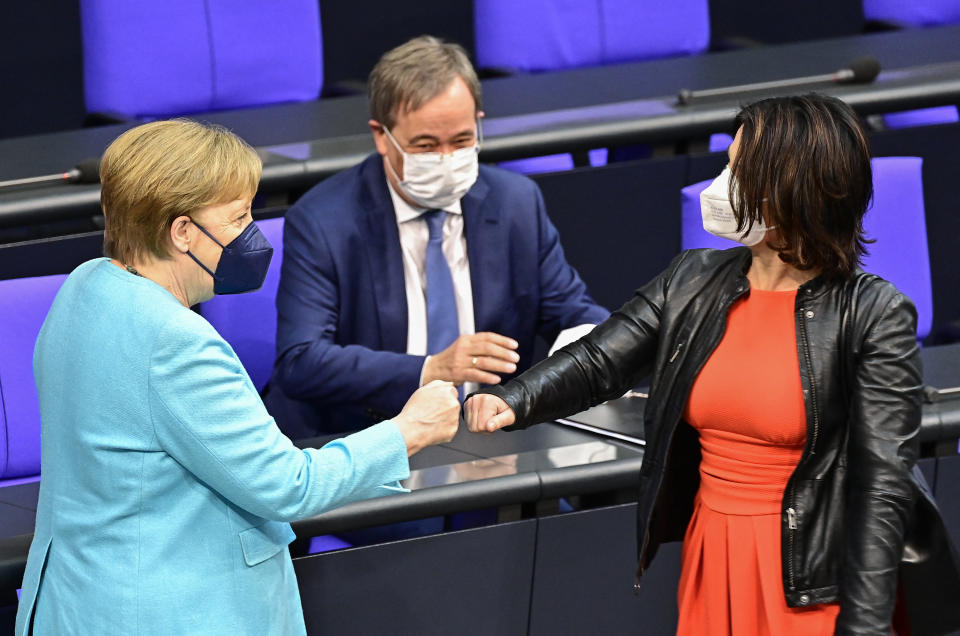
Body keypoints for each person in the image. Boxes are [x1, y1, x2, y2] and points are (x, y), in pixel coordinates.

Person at [466, 95, 960, 635]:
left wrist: (864, 626)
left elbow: (882, 488)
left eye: (737, 168)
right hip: (713, 555)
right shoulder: (693, 279)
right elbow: (599, 358)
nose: (721, 182)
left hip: (812, 578)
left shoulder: (873, 313)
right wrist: (515, 399)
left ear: (792, 189)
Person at [15, 120, 460, 636]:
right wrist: (410, 431)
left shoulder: (85, 285)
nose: (252, 233)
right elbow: (288, 486)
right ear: (181, 232)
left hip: (78, 603)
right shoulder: (176, 342)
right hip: (168, 614)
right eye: (240, 217)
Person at [263, 36, 609, 438]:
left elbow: (574, 313)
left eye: (462, 141)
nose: (447, 158)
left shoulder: (516, 203)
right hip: (366, 439)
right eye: (426, 146)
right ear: (381, 136)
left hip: (488, 438)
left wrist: (596, 352)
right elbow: (301, 362)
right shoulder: (324, 220)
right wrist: (432, 368)